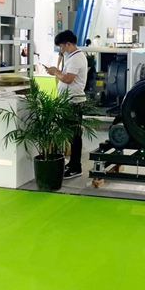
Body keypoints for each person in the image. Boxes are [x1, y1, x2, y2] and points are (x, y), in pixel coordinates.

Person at [45, 30, 88, 179]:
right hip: (68, 101)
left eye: (61, 46)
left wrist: (55, 72)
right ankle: (72, 164)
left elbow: (68, 79)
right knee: (71, 136)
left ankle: (76, 167)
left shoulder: (76, 59)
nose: (60, 49)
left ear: (68, 44)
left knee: (74, 137)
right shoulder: (73, 57)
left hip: (74, 102)